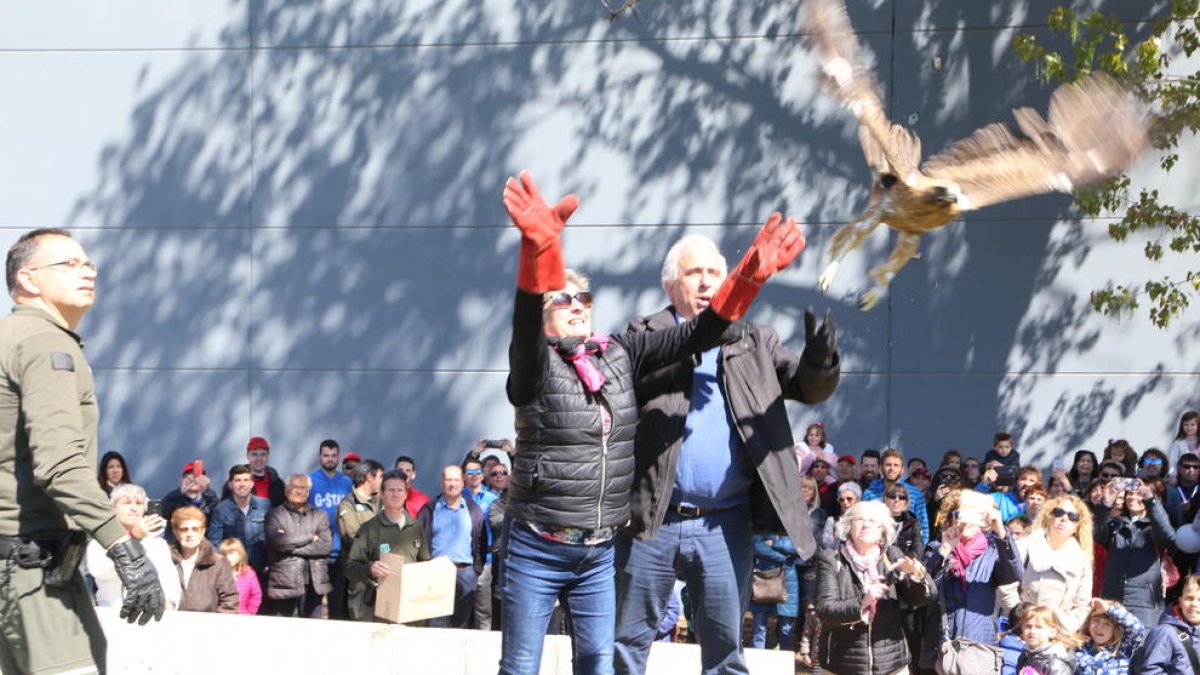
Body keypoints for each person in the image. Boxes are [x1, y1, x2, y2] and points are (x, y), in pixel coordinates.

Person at [502, 170, 809, 675]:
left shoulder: (620, 354)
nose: (577, 307)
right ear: (544, 315)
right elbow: (524, 332)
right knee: (520, 666)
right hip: (539, 547)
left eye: (584, 300)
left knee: (600, 662)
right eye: (563, 300)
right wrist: (539, 255)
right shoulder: (535, 371)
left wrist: (749, 276)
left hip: (598, 550)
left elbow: (701, 332)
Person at [614, 228, 839, 675]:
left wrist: (820, 362)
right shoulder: (645, 334)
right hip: (651, 521)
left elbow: (807, 387)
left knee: (725, 653)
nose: (706, 283)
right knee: (626, 645)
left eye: (715, 273)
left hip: (725, 523)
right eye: (694, 272)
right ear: (669, 286)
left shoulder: (755, 340)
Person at [0, 228, 164, 674]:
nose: (87, 272)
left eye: (88, 264)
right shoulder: (44, 342)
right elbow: (59, 464)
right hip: (31, 566)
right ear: (29, 280)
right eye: (68, 264)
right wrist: (123, 548)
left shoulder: (12, 337)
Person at [814, 501, 934, 674]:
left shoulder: (892, 556)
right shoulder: (831, 559)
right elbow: (825, 610)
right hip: (842, 664)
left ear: (883, 532)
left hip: (891, 665)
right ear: (848, 527)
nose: (866, 524)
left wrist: (917, 577)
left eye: (873, 521)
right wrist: (864, 602)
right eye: (860, 519)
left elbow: (924, 599)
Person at [918, 489, 1022, 672]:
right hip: (941, 646)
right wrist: (944, 551)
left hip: (980, 645)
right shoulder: (936, 549)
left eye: (974, 515)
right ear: (950, 519)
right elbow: (926, 590)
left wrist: (1001, 531)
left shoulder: (993, 549)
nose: (966, 521)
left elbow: (1013, 575)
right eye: (959, 514)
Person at [345, 470, 430, 622]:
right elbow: (350, 567)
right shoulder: (369, 529)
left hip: (411, 606)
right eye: (390, 490)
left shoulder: (416, 527)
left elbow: (425, 563)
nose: (395, 495)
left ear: (405, 494)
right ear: (382, 494)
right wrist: (370, 568)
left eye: (400, 490)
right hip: (380, 607)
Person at [1001, 494, 1094, 632]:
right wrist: (1018, 618)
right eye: (1058, 512)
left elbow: (1082, 604)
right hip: (1020, 629)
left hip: (1057, 635)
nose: (1064, 519)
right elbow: (1006, 585)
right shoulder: (1024, 545)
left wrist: (1063, 630)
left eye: (1072, 516)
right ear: (1049, 516)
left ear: (1078, 526)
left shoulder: (1082, 559)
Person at [85, 484, 180, 611]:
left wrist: (170, 603)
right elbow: (99, 571)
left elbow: (170, 580)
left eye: (139, 503)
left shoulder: (158, 544)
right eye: (127, 503)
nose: (134, 508)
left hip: (151, 617)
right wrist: (132, 538)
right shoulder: (99, 542)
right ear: (113, 508)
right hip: (113, 614)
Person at [1095, 476, 1175, 626]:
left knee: (1141, 647)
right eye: (1130, 493)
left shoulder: (1153, 526)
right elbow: (1096, 532)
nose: (1133, 497)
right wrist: (1105, 504)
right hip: (1113, 597)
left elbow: (1167, 535)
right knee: (1111, 644)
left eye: (1138, 493)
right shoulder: (1115, 524)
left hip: (1144, 602)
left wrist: (1150, 500)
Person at [417, 465, 485, 629]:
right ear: (442, 482)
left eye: (456, 480)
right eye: (448, 479)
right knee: (435, 623)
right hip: (436, 572)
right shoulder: (429, 509)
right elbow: (420, 540)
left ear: (463, 483)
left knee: (461, 624)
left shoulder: (473, 509)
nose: (452, 484)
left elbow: (480, 541)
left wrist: (476, 569)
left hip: (465, 572)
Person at [265, 474, 332, 618]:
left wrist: (290, 546)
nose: (298, 491)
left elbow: (325, 546)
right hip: (283, 581)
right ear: (286, 489)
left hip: (314, 583)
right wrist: (310, 537)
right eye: (294, 486)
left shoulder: (320, 515)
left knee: (312, 631)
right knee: (281, 630)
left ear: (308, 492)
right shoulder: (275, 514)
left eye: (303, 488)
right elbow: (278, 543)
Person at [308, 439, 352, 620]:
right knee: (313, 603)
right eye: (326, 455)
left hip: (341, 552)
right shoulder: (311, 481)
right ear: (320, 456)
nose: (330, 459)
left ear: (338, 457)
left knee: (337, 603)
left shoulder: (347, 482)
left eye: (334, 456)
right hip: (318, 553)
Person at [206, 464, 272, 584]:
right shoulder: (221, 509)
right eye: (237, 480)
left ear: (252, 484)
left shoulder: (265, 505)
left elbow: (271, 537)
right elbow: (214, 543)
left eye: (246, 480)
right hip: (233, 572)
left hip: (260, 570)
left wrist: (268, 564)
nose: (242, 484)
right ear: (231, 485)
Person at [168, 505, 238, 613]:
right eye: (184, 529)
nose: (190, 534)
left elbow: (230, 602)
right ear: (175, 532)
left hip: (207, 627)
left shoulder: (219, 563)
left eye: (195, 529)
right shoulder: (165, 559)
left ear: (203, 531)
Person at [337, 459, 383, 620]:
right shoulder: (347, 504)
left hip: (383, 573)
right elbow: (352, 538)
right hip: (360, 575)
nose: (381, 481)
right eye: (380, 477)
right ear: (369, 477)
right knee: (360, 621)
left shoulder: (381, 501)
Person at [1134, 574, 1200, 674]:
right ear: (1181, 602)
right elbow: (1149, 670)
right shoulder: (1165, 632)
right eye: (1189, 599)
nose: (1194, 604)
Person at [863, 448, 930, 547]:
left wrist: (915, 554)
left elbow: (924, 530)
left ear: (902, 470)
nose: (891, 468)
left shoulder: (916, 494)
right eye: (888, 465)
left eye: (896, 465)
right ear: (881, 468)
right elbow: (864, 524)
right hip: (876, 550)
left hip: (907, 552)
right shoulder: (869, 493)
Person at [1074, 598, 1146, 675]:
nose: (1099, 628)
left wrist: (1108, 609)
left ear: (1116, 630)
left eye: (1107, 624)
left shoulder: (1121, 650)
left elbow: (1136, 628)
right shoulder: (1079, 647)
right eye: (1096, 621)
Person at [160, 461, 218, 545]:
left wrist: (207, 490)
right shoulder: (174, 497)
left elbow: (215, 515)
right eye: (189, 478)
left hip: (202, 544)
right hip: (176, 545)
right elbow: (164, 512)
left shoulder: (209, 497)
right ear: (182, 480)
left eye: (198, 477)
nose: (193, 481)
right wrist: (180, 492)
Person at [1015, 604, 1079, 675]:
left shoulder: (1056, 662)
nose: (1032, 631)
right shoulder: (1026, 654)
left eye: (1039, 627)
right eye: (1028, 626)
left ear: (1052, 631)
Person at [221, 436, 285, 507]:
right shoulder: (235, 483)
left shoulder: (277, 483)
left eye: (263, 454)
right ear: (247, 456)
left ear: (268, 456)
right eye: (254, 454)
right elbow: (224, 510)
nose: (259, 459)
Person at [219, 538, 262, 615]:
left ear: (240, 554)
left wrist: (250, 612)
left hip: (243, 615)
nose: (228, 557)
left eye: (232, 553)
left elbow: (256, 595)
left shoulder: (249, 573)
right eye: (225, 554)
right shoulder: (218, 573)